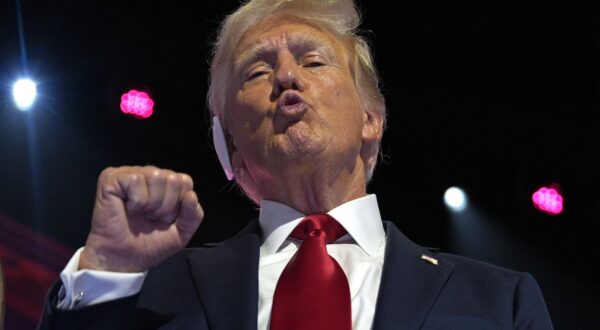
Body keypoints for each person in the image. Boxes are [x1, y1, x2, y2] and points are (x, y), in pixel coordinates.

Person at [38, 0, 554, 329]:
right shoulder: (156, 292)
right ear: (232, 148)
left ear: (371, 119)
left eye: (313, 60)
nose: (286, 76)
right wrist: (108, 273)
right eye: (256, 71)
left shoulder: (497, 301)